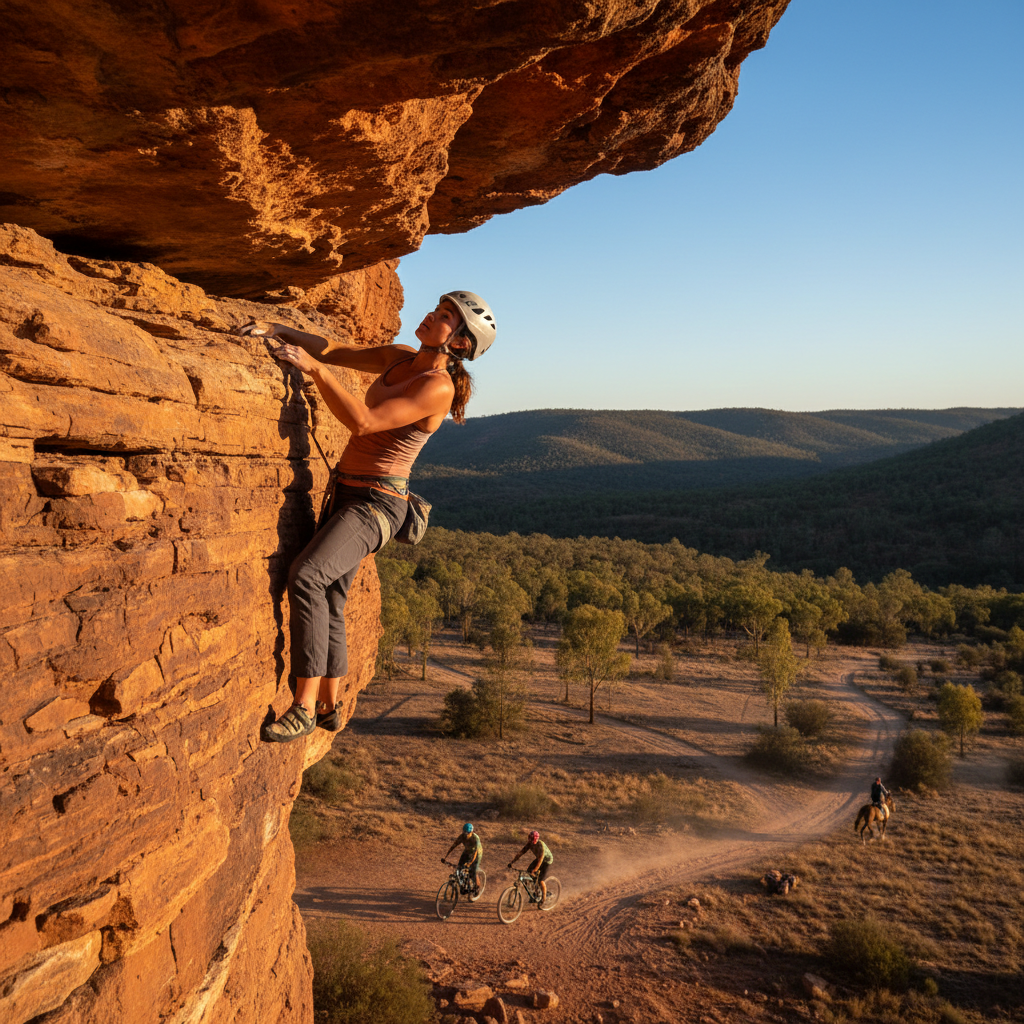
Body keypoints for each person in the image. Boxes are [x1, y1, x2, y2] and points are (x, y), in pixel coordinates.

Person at [241, 292, 497, 742]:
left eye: (444, 318)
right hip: (348, 492)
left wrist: (315, 371)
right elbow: (337, 351)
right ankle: (328, 705)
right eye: (436, 309)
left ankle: (301, 708)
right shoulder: (400, 358)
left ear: (458, 342)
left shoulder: (438, 386)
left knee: (307, 576)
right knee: (333, 600)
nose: (430, 316)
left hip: (377, 505)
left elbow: (364, 422)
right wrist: (280, 330)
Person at [509, 829, 553, 903]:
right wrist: (512, 862)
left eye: (532, 838)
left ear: (535, 839)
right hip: (539, 859)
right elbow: (521, 853)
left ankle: (543, 898)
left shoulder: (540, 845)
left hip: (546, 861)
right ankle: (535, 893)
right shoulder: (529, 844)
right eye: (529, 837)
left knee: (540, 880)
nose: (530, 840)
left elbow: (541, 859)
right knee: (528, 873)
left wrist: (535, 869)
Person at [444, 822, 483, 897]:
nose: (466, 835)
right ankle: (463, 885)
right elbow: (453, 846)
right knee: (459, 868)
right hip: (467, 851)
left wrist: (471, 862)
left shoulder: (475, 838)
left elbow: (476, 852)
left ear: (471, 832)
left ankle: (477, 888)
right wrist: (445, 857)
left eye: (467, 833)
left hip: (477, 853)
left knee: (473, 871)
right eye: (464, 833)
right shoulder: (462, 837)